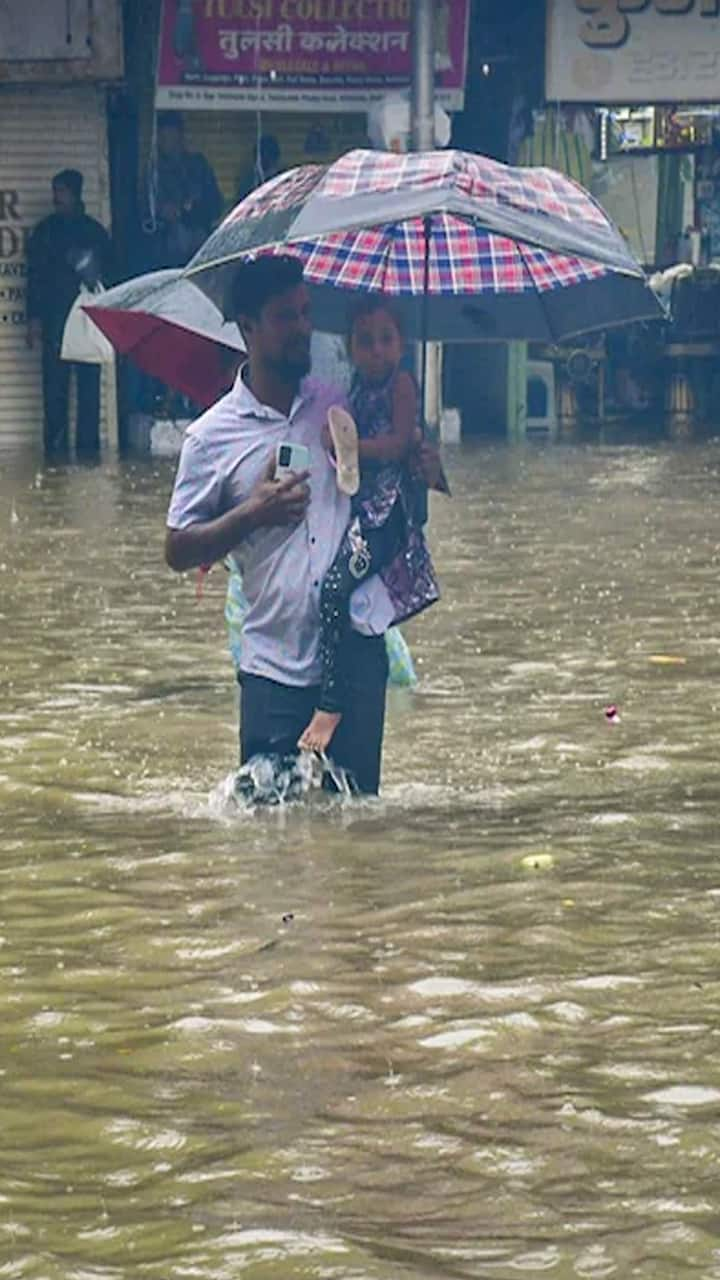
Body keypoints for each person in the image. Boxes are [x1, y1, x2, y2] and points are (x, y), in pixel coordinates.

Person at [165, 255, 441, 794]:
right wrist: (254, 511)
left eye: (306, 313)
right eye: (285, 318)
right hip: (272, 663)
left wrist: (422, 464)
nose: (303, 329)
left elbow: (392, 490)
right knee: (266, 837)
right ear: (248, 327)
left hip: (357, 654)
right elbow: (176, 548)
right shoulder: (211, 437)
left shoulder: (342, 399)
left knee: (356, 827)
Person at [298, 298, 438, 754]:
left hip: (387, 514)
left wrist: (355, 447)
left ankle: (332, 701)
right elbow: (343, 447)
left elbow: (398, 444)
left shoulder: (401, 384)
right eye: (365, 341)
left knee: (335, 588)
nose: (377, 350)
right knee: (328, 586)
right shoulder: (353, 390)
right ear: (350, 349)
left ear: (401, 344)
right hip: (358, 511)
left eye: (386, 340)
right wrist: (334, 443)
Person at [26, 169, 113, 459]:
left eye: (61, 192)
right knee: (54, 392)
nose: (56, 198)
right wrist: (34, 321)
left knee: (89, 392)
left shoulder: (94, 232)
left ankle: (88, 454)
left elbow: (109, 280)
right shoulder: (45, 232)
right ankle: (55, 456)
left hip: (88, 322)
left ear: (75, 194)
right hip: (54, 323)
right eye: (55, 192)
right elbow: (34, 279)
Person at [144, 112, 222, 269]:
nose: (168, 142)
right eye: (164, 138)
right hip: (168, 250)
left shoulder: (198, 165)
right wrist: (162, 210)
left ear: (180, 136)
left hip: (200, 241)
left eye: (172, 136)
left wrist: (193, 208)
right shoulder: (155, 172)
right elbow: (147, 210)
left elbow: (215, 203)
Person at [236, 135, 282, 204]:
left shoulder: (284, 180)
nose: (263, 159)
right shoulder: (248, 181)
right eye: (261, 155)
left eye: (267, 155)